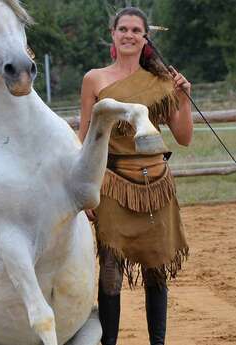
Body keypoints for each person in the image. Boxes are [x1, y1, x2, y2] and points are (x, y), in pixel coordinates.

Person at [78, 7, 193, 345]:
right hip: (113, 184)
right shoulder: (94, 79)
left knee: (157, 271)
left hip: (157, 185)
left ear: (146, 38)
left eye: (136, 31)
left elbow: (184, 138)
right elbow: (84, 139)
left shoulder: (162, 81)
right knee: (110, 272)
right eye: (123, 29)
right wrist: (85, 190)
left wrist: (184, 99)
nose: (129, 35)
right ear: (112, 34)